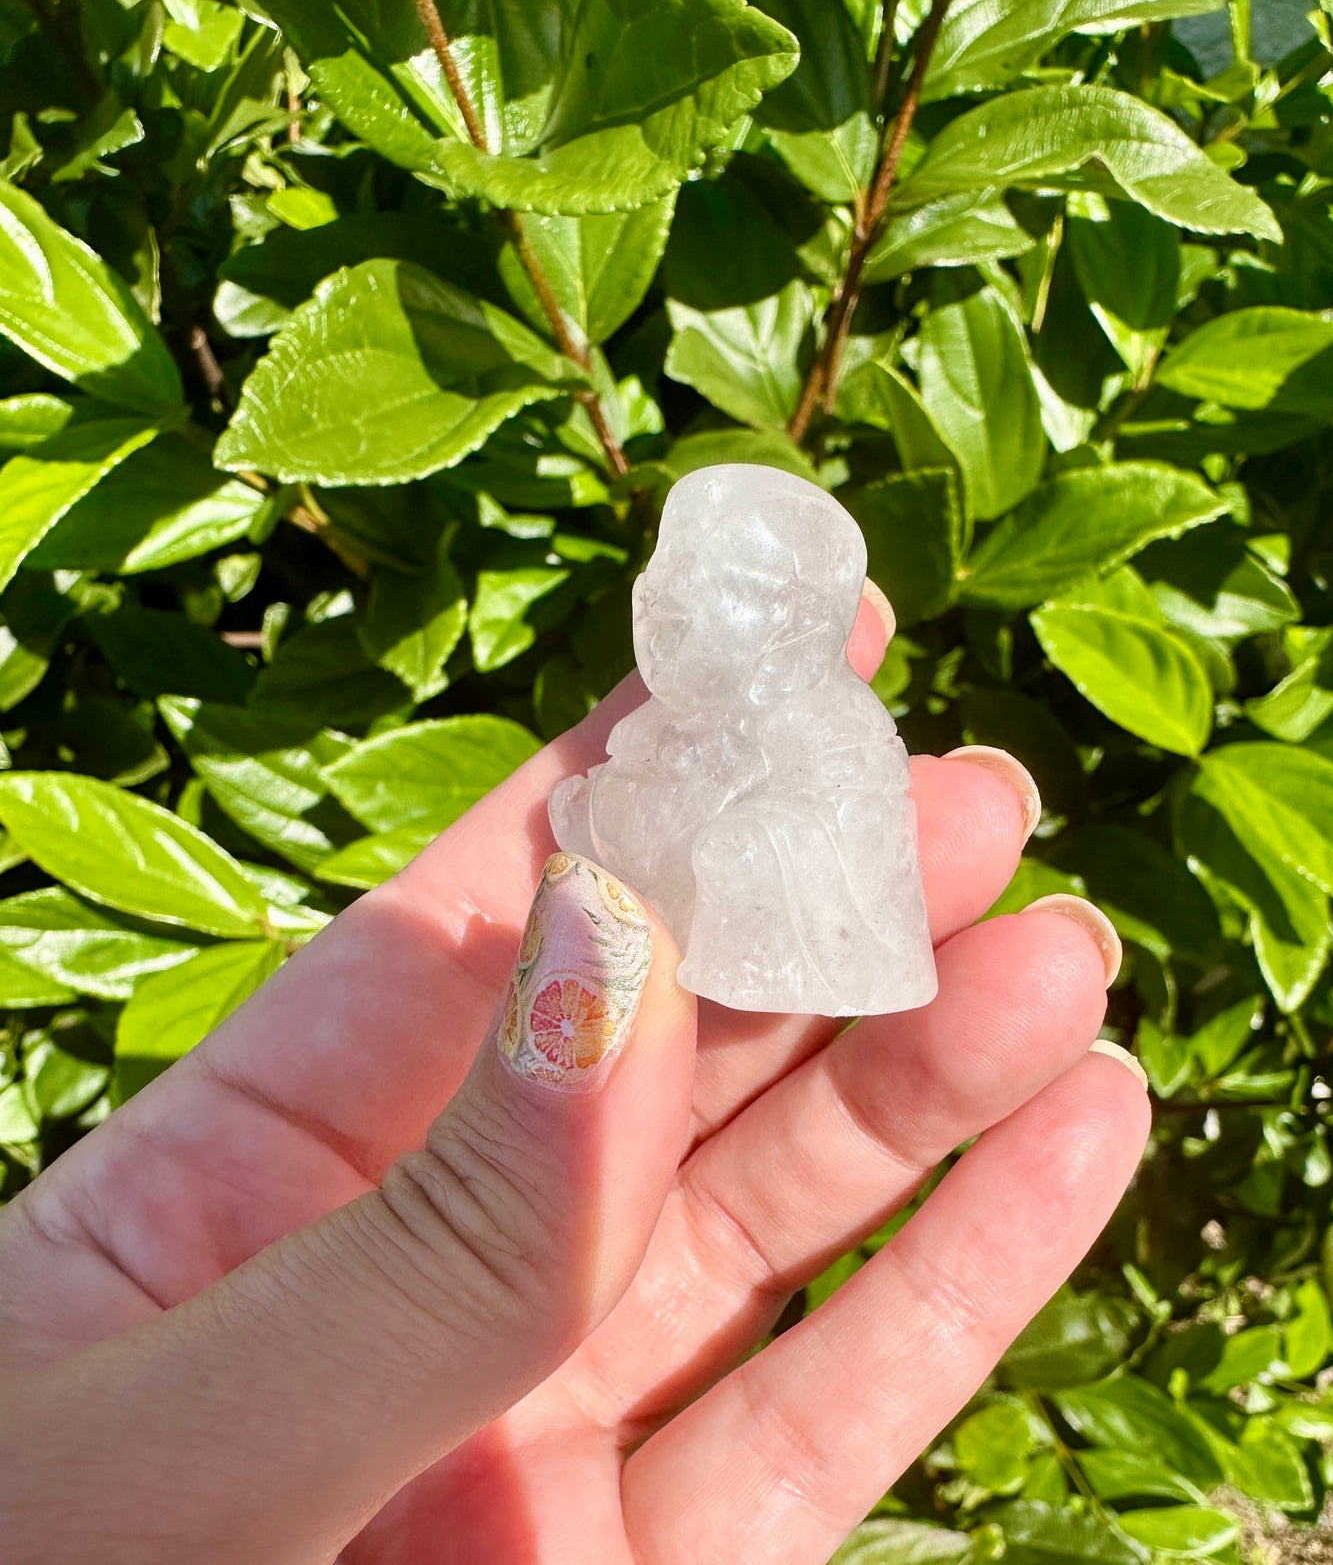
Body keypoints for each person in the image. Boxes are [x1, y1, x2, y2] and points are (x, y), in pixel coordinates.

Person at [0, 588, 1149, 1563]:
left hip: (783, 919)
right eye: (675, 606)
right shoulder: (709, 730)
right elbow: (616, 808)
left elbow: (757, 846)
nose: (675, 629)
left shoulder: (826, 737)